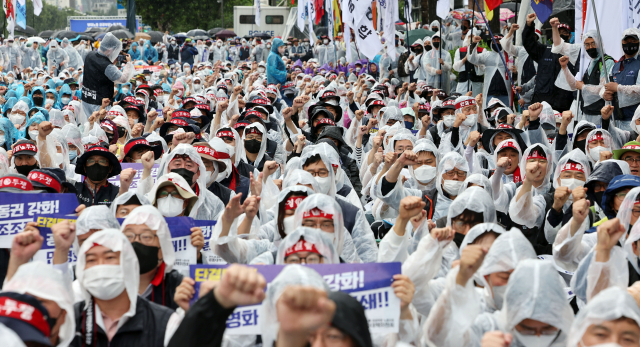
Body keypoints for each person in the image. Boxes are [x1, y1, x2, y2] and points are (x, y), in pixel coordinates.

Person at [81, 33, 134, 118]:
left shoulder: (90, 55)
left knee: (89, 125)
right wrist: (129, 63)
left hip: (86, 99)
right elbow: (123, 79)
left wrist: (111, 63)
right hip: (99, 104)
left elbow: (97, 71)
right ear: (110, 50)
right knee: (100, 127)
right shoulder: (107, 66)